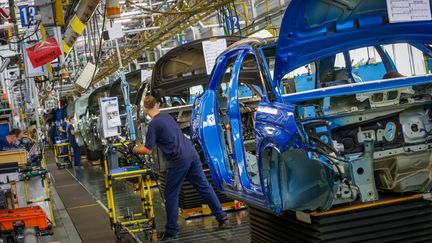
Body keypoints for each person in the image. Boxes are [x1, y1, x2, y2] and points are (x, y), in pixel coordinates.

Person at [133, 96, 229, 240]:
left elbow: (147, 149)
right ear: (157, 104)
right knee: (204, 187)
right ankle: (222, 217)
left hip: (178, 160)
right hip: (191, 154)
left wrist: (133, 149)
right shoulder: (167, 117)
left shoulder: (154, 124)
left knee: (171, 195)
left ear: (145, 109)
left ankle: (171, 230)